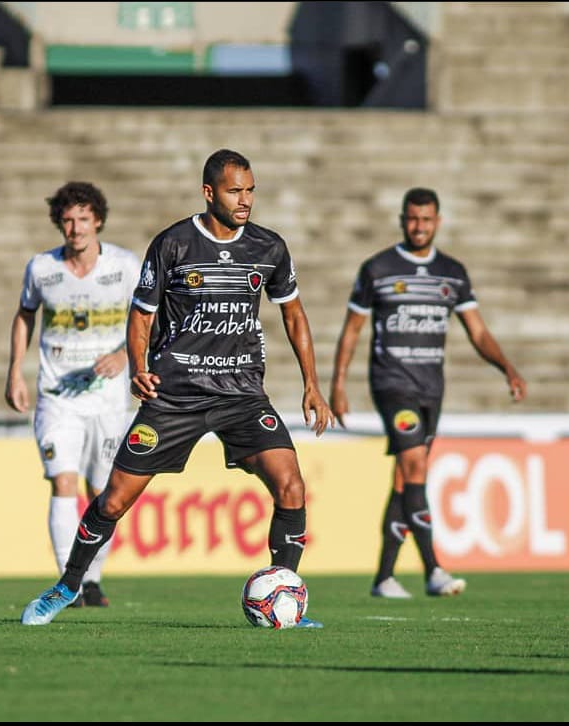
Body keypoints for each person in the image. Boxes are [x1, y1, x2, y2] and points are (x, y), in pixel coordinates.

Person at [20, 149, 335, 627]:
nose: (245, 199)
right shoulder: (174, 243)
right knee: (113, 500)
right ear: (210, 193)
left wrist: (313, 384)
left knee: (291, 486)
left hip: (241, 393)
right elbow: (141, 313)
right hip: (176, 394)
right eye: (235, 191)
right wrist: (138, 368)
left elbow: (293, 312)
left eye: (250, 190)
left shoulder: (269, 247)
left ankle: (285, 595)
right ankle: (67, 586)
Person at [330, 187, 526, 599]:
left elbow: (477, 330)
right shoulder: (378, 269)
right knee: (416, 466)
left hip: (431, 388)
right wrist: (337, 385)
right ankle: (434, 570)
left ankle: (384, 577)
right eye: (412, 219)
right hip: (392, 384)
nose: (419, 227)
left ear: (437, 221)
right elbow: (352, 331)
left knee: (406, 479)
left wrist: (506, 367)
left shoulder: (452, 274)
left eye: (426, 220)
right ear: (402, 220)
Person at [5, 181, 141, 609]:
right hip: (57, 395)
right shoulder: (42, 269)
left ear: (97, 220)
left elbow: (147, 319)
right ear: (58, 223)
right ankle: (70, 582)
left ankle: (92, 577)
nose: (75, 228)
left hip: (109, 399)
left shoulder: (124, 266)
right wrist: (14, 370)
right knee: (63, 482)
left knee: (104, 491)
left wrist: (124, 356)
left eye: (83, 219)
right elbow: (25, 316)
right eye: (67, 219)